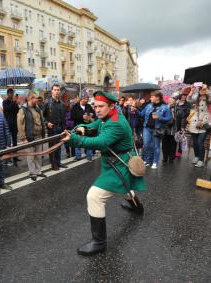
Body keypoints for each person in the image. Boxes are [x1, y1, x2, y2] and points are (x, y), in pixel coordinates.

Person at [61, 91, 146, 256]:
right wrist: (82, 128)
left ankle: (99, 242)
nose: (97, 110)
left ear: (111, 106)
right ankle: (138, 208)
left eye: (101, 106)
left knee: (94, 196)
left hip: (120, 163)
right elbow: (94, 125)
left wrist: (74, 139)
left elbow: (101, 143)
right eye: (95, 106)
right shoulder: (108, 116)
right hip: (114, 161)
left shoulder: (115, 122)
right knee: (125, 187)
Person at [17, 92, 47, 181]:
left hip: (38, 136)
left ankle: (38, 171)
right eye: (36, 98)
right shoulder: (23, 110)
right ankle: (32, 172)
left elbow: (41, 121)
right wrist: (23, 138)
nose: (37, 100)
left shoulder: (37, 108)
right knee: (30, 156)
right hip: (29, 137)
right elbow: (20, 125)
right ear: (30, 98)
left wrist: (43, 133)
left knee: (38, 155)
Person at [138, 91, 172, 169]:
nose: (150, 98)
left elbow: (169, 118)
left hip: (157, 129)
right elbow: (141, 114)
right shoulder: (148, 105)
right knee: (146, 145)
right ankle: (146, 160)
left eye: (152, 97)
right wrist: (135, 109)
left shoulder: (165, 107)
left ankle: (155, 162)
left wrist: (159, 117)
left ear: (157, 97)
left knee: (156, 146)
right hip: (147, 128)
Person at [43, 84, 67, 170]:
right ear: (52, 91)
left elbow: (64, 117)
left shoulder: (62, 104)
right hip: (52, 129)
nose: (57, 91)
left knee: (59, 146)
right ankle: (53, 164)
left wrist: (65, 128)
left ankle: (58, 162)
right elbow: (41, 116)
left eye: (58, 90)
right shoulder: (47, 102)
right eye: (55, 90)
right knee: (52, 147)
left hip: (60, 128)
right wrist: (47, 123)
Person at [186, 86, 211, 168]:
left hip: (204, 123)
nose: (202, 91)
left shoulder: (209, 98)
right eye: (201, 89)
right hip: (194, 122)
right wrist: (191, 92)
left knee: (200, 143)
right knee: (195, 143)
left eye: (204, 89)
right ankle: (197, 156)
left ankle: (201, 159)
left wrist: (207, 92)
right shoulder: (196, 97)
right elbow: (188, 100)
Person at [71, 94, 95, 161]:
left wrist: (91, 115)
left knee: (88, 141)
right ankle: (78, 156)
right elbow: (72, 117)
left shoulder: (88, 106)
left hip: (87, 127)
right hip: (78, 126)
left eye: (87, 99)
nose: (86, 100)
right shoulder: (75, 107)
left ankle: (89, 156)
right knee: (77, 141)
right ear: (81, 99)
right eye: (85, 99)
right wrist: (82, 117)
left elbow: (94, 114)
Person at [3, 88, 20, 166]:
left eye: (12, 93)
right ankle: (8, 158)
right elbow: (8, 108)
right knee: (8, 142)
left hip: (14, 124)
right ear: (7, 94)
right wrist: (14, 103)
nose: (11, 94)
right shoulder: (5, 102)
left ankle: (15, 157)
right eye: (10, 93)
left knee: (15, 141)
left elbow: (16, 111)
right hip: (7, 124)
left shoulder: (14, 102)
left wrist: (17, 104)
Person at [161, 97, 177, 164]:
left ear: (175, 102)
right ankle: (165, 158)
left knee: (173, 144)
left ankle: (171, 158)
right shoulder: (164, 108)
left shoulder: (177, 109)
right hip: (165, 129)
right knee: (165, 144)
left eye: (172, 101)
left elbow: (181, 118)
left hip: (174, 129)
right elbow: (161, 117)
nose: (171, 102)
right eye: (170, 100)